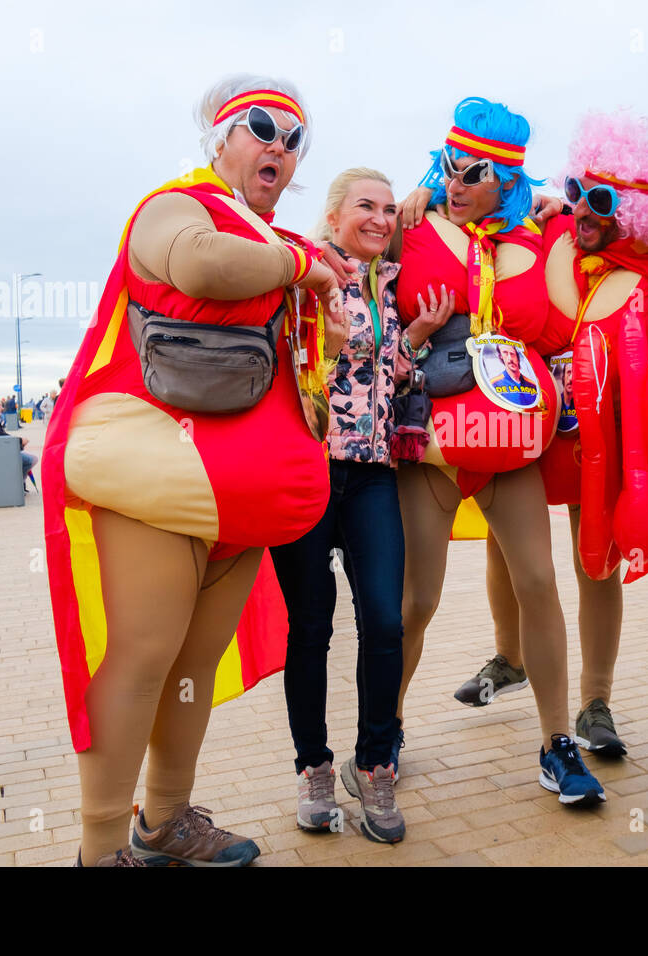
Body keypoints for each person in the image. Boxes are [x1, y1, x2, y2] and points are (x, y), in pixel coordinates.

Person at [41, 74, 347, 867]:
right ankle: (99, 847)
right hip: (156, 480)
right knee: (142, 657)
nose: (278, 145)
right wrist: (300, 269)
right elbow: (200, 268)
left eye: (294, 137)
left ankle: (164, 823)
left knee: (190, 666)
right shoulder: (178, 206)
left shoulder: (277, 241)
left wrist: (327, 326)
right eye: (261, 126)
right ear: (219, 137)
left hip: (240, 501)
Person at [391, 96, 607, 807]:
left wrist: (566, 215)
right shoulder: (414, 226)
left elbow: (572, 317)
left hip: (510, 440)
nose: (456, 181)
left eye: (475, 171)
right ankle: (381, 735)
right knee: (415, 601)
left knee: (540, 584)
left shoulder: (539, 240)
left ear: (507, 177)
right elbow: (347, 264)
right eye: (448, 164)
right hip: (433, 445)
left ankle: (557, 744)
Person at [454, 110, 648, 760]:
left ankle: (596, 701)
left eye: (603, 200)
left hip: (601, 443)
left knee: (596, 561)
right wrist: (419, 193)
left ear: (633, 210)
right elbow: (479, 202)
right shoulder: (547, 226)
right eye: (579, 189)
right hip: (528, 427)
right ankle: (511, 657)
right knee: (507, 552)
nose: (584, 208)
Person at [269, 167, 455, 844]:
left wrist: (418, 334)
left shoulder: (388, 284)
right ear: (335, 212)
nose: (379, 218)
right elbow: (295, 356)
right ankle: (313, 768)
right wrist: (321, 327)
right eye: (364, 207)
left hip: (374, 473)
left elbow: (382, 370)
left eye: (386, 208)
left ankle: (375, 762)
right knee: (310, 628)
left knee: (384, 620)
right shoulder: (310, 270)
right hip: (312, 473)